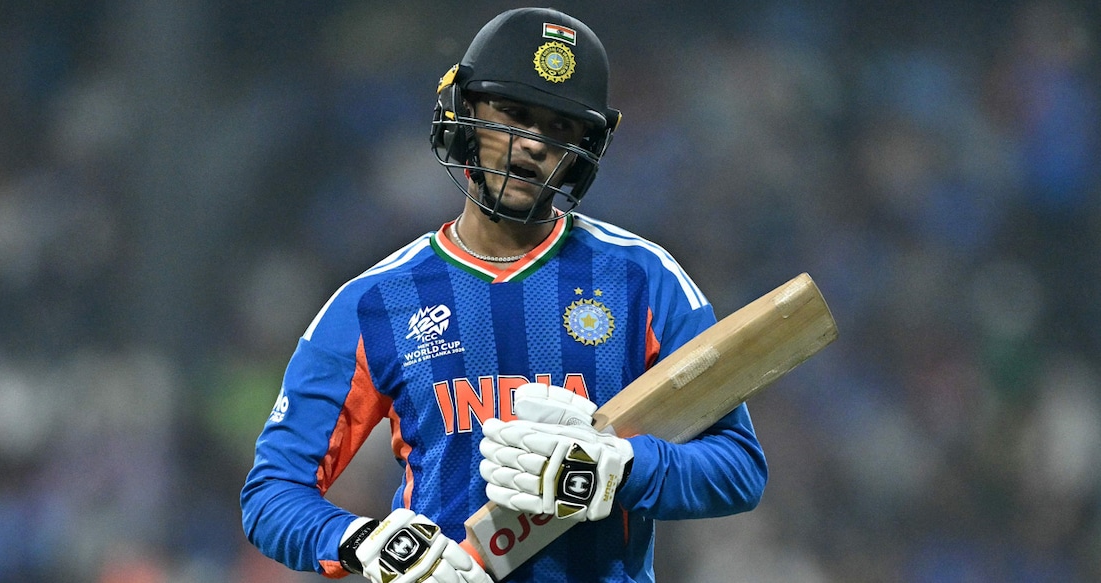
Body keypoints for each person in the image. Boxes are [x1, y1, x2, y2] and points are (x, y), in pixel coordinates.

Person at [241, 7, 767, 582]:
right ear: (465, 115)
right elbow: (272, 492)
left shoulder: (643, 278)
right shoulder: (374, 302)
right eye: (513, 114)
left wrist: (619, 469)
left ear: (582, 148)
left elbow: (738, 468)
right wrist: (361, 541)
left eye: (559, 128)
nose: (532, 145)